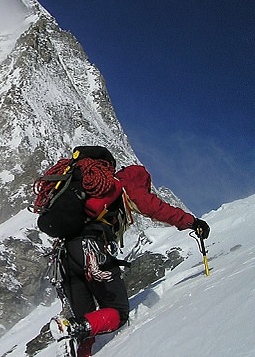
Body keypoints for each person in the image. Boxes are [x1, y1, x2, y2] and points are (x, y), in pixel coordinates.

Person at [47, 148, 210, 356]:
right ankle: (70, 328)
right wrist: (192, 222)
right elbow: (155, 208)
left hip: (63, 258)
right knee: (118, 312)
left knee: (87, 322)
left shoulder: (83, 188)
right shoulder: (124, 184)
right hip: (90, 250)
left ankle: (78, 346)